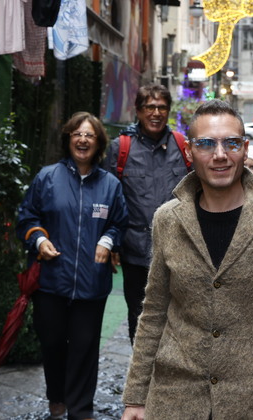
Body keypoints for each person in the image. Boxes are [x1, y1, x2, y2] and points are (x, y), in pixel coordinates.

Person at [120, 100, 253, 419]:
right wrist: (136, 396)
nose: (220, 155)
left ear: (244, 149)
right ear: (190, 152)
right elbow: (154, 310)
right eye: (206, 144)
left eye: (230, 143)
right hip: (174, 396)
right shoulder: (168, 219)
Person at [17, 112, 130, 420]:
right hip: (52, 279)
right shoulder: (47, 177)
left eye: (90, 135)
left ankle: (80, 409)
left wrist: (108, 242)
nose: (83, 140)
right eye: (77, 134)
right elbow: (27, 217)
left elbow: (119, 223)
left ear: (99, 143)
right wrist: (39, 240)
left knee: (84, 347)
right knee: (52, 342)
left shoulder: (110, 185)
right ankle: (57, 397)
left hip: (92, 282)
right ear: (68, 139)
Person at [100, 83, 189, 344]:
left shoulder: (183, 147)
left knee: (176, 317)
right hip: (135, 251)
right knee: (138, 316)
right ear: (138, 111)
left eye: (162, 107)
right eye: (150, 107)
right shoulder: (120, 148)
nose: (156, 113)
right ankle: (142, 378)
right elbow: (110, 198)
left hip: (177, 250)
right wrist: (111, 241)